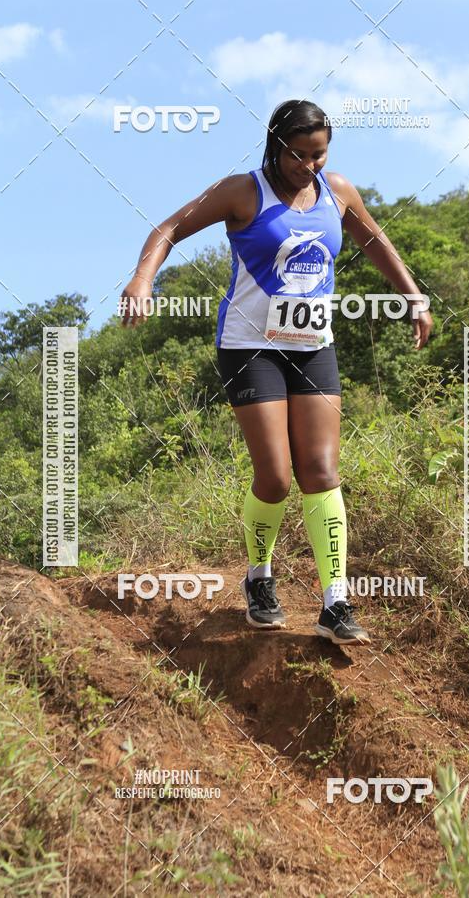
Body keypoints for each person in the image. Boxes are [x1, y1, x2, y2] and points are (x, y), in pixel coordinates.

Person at [121, 98, 433, 645]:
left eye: (319, 155)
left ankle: (335, 601)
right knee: (276, 478)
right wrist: (142, 280)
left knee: (322, 471)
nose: (308, 166)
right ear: (275, 146)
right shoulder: (243, 192)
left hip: (313, 348)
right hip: (250, 349)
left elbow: (374, 240)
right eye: (298, 155)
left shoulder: (338, 191)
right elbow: (169, 227)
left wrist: (412, 295)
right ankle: (259, 578)